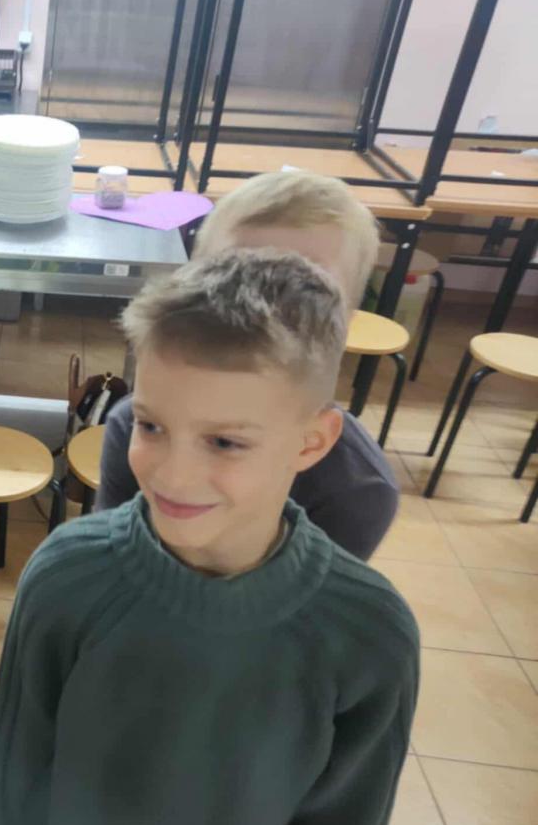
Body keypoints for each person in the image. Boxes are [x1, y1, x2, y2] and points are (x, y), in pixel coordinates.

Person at [0, 251, 419, 825]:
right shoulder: (65, 578)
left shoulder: (369, 635)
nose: (174, 475)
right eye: (151, 426)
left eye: (225, 442)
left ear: (312, 441)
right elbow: (12, 785)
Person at [96, 171, 397, 561]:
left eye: (307, 285)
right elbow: (110, 558)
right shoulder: (132, 428)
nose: (258, 305)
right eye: (232, 275)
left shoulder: (357, 490)